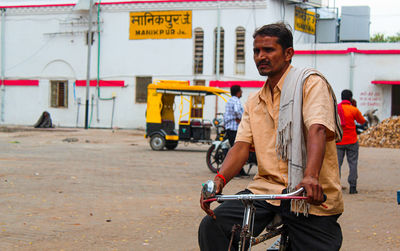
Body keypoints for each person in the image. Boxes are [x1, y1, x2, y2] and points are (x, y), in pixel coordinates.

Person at [198, 22, 344, 251]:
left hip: (306, 194)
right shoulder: (254, 101)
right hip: (266, 192)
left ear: (288, 53)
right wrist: (218, 180)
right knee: (213, 226)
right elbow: (241, 147)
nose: (260, 56)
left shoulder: (311, 84)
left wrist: (311, 176)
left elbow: (317, 128)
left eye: (268, 50)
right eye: (257, 51)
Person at [336, 90, 367, 194]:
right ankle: (353, 187)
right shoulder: (353, 110)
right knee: (353, 163)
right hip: (352, 141)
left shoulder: (336, 109)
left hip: (339, 141)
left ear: (341, 97)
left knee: (337, 165)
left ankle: (336, 186)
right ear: (350, 98)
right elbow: (362, 121)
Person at [223, 85, 247, 176]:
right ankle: (236, 172)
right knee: (237, 151)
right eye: (241, 91)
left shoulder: (230, 100)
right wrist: (241, 118)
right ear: (238, 92)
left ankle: (241, 171)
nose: (242, 92)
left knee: (237, 150)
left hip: (230, 128)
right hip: (234, 128)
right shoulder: (236, 101)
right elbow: (237, 111)